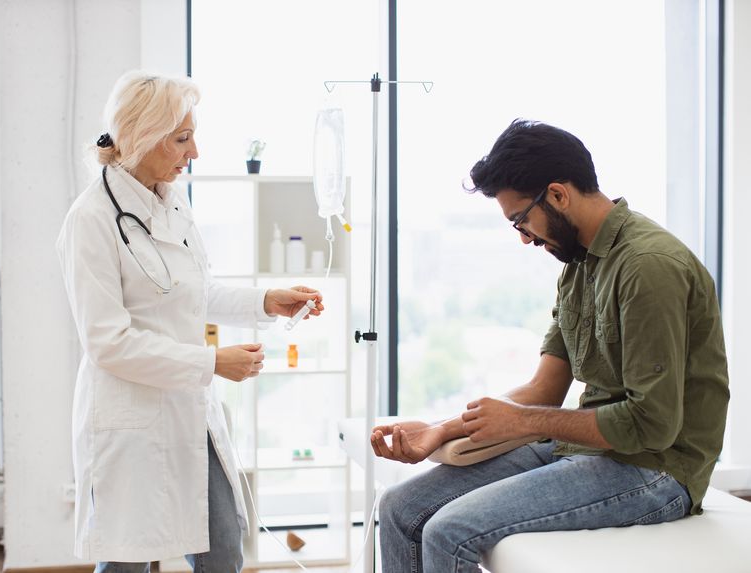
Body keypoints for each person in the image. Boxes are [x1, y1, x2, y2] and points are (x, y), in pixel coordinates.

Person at [371, 119, 729, 572]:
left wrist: (522, 422)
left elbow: (652, 426)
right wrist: (441, 431)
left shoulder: (647, 267)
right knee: (401, 507)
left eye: (522, 220)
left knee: (449, 531)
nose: (524, 237)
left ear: (557, 194)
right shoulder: (578, 265)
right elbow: (543, 390)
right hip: (584, 451)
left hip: (656, 470)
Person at [56, 71, 324, 573]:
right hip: (129, 418)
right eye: (182, 139)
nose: (194, 151)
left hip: (188, 408)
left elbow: (194, 293)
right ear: (141, 136)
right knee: (125, 562)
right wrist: (210, 361)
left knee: (223, 546)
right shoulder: (90, 220)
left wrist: (267, 300)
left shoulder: (171, 199)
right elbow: (106, 343)